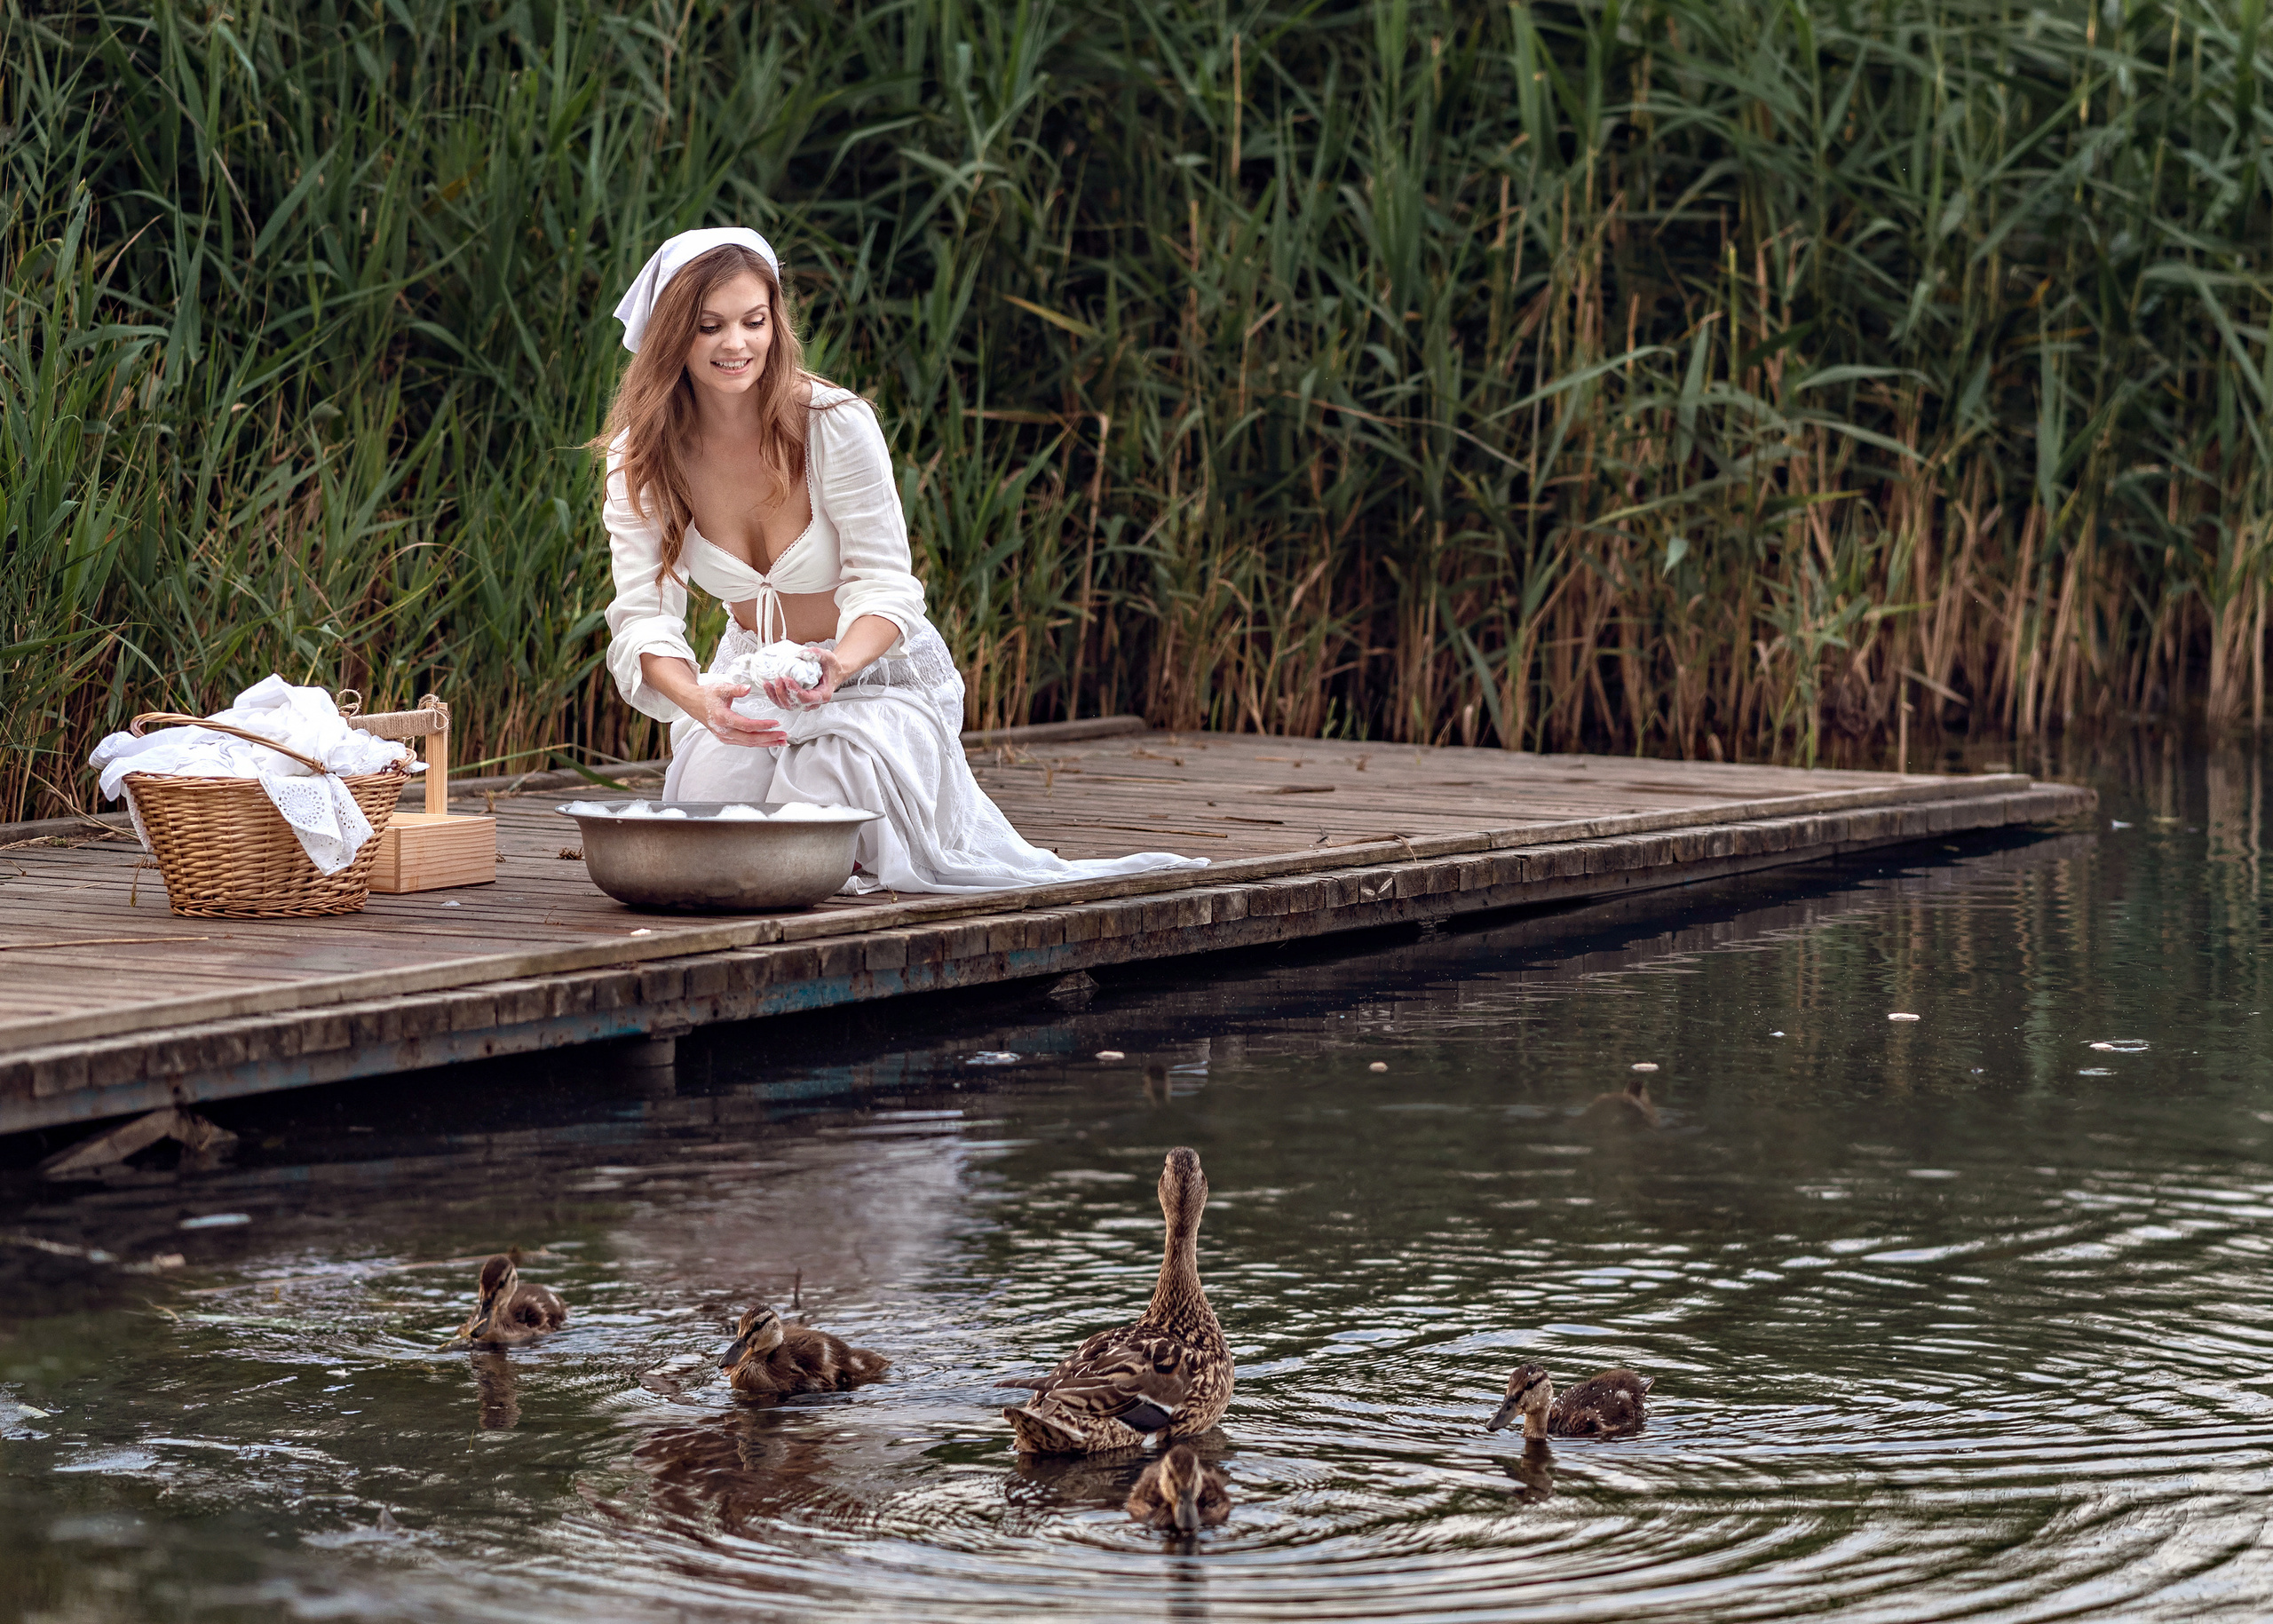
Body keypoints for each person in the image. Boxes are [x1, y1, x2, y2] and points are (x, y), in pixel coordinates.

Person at [593, 226, 1206, 895]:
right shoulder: (641, 457)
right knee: (715, 809)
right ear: (671, 333)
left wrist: (839, 663)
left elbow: (885, 584)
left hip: (874, 678)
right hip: (754, 681)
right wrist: (701, 700)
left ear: (776, 321)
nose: (736, 344)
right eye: (709, 326)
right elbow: (643, 619)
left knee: (818, 799)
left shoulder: (832, 422)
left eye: (754, 321)